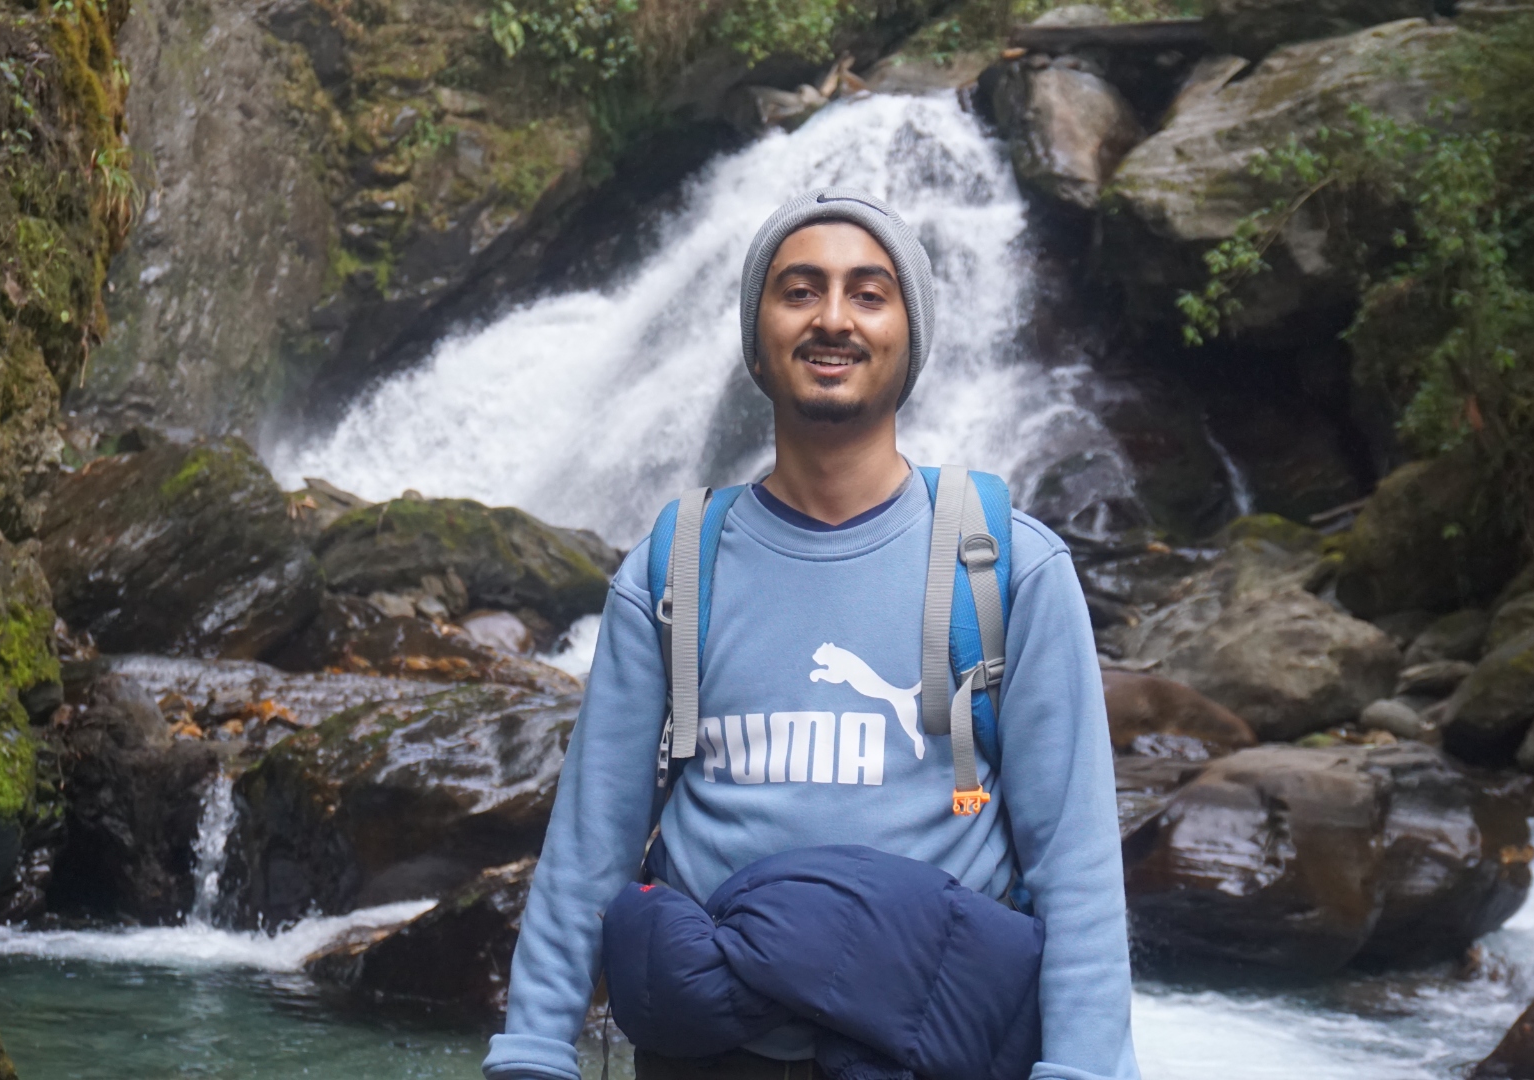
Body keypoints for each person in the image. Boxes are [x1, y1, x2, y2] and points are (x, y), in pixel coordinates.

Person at [482, 188, 1140, 1080]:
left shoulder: (1007, 568)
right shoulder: (675, 569)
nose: (833, 318)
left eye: (869, 294)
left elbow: (1078, 865)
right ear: (757, 335)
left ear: (910, 336)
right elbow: (587, 849)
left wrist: (1084, 1069)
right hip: (710, 1054)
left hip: (928, 1046)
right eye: (799, 291)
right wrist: (530, 1053)